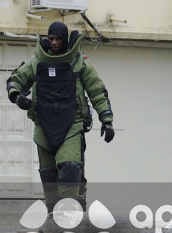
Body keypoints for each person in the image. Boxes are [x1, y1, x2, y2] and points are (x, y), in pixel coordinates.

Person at [6, 21, 114, 213]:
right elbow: (16, 80)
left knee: (71, 167)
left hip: (72, 124)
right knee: (48, 174)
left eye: (58, 39)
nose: (54, 42)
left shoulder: (78, 63)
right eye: (51, 38)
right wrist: (17, 96)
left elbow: (97, 91)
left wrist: (106, 120)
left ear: (65, 40)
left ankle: (70, 212)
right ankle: (52, 214)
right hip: (43, 124)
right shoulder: (37, 62)